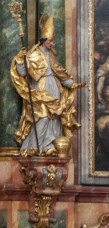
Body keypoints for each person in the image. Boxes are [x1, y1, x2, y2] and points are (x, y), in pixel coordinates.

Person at [9, 15, 82, 155]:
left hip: (54, 88)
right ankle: (34, 147)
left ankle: (49, 146)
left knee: (54, 118)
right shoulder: (33, 54)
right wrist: (20, 59)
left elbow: (58, 72)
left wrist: (72, 84)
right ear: (43, 40)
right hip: (40, 90)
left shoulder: (52, 54)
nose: (52, 43)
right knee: (41, 116)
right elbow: (22, 72)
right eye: (50, 41)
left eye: (52, 41)